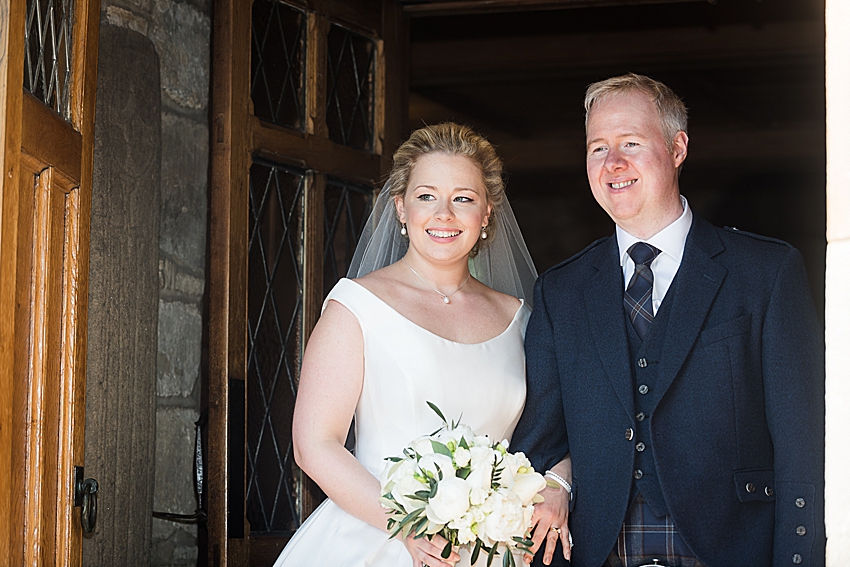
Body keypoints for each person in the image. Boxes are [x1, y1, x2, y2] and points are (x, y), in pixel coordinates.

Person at [511, 73, 825, 567]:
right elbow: (540, 445)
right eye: (598, 148)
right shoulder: (561, 292)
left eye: (631, 143)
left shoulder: (765, 273)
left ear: (677, 148)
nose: (613, 163)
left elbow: (802, 443)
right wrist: (553, 484)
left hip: (734, 550)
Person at [272, 122, 539, 567]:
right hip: (377, 539)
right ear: (400, 206)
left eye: (464, 199)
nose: (444, 214)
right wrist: (409, 528)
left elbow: (554, 435)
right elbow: (314, 444)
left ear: (487, 213)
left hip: (490, 550)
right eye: (426, 195)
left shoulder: (520, 319)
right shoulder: (355, 307)